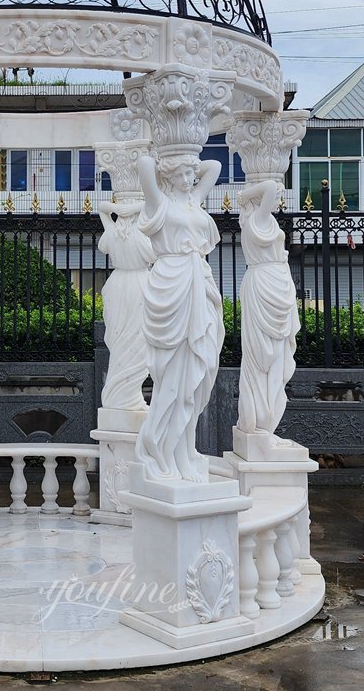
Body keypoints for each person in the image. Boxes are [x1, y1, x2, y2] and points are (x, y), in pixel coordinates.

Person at [135, 153, 224, 483]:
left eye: (191, 173)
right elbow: (144, 164)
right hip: (172, 283)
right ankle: (163, 450)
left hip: (199, 281)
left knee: (199, 376)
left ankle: (186, 450)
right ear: (170, 176)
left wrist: (189, 164)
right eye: (183, 174)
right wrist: (170, 162)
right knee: (174, 379)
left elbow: (213, 166)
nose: (190, 177)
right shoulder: (160, 202)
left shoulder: (194, 200)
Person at [236, 179, 299, 438]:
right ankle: (260, 419)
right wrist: (245, 194)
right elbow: (271, 186)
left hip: (275, 282)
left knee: (277, 354)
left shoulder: (263, 220)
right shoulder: (256, 220)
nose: (277, 200)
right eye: (275, 198)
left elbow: (272, 189)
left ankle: (266, 420)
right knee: (265, 354)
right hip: (265, 284)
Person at [97, 198, 155, 411]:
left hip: (117, 285)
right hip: (139, 285)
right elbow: (154, 253)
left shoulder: (112, 233)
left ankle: (121, 396)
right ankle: (127, 398)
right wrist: (134, 208)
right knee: (136, 342)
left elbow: (102, 209)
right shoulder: (142, 235)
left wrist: (117, 209)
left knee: (121, 341)